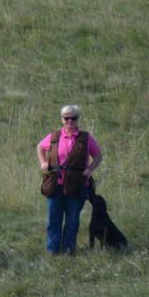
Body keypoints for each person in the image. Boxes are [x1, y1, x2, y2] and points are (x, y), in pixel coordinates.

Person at [36, 105, 102, 254]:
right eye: (66, 118)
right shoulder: (54, 136)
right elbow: (40, 147)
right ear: (62, 119)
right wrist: (43, 162)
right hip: (55, 185)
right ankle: (53, 250)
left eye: (73, 118)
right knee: (53, 221)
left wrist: (90, 170)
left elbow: (98, 156)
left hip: (77, 186)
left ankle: (68, 250)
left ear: (78, 119)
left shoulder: (86, 138)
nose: (70, 121)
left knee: (72, 221)